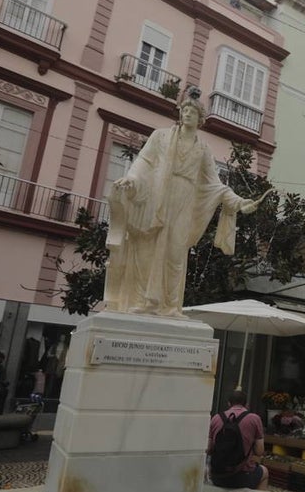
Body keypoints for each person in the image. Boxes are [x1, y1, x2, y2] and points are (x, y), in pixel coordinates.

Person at [103, 87, 271, 318]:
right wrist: (131, 179)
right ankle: (144, 302)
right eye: (184, 110)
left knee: (175, 254)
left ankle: (171, 306)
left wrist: (240, 203)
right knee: (148, 252)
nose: (187, 114)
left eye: (192, 111)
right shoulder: (161, 136)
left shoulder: (203, 149)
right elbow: (144, 162)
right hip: (158, 197)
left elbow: (215, 184)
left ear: (200, 119)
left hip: (184, 201)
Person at [207, 390, 268, 490]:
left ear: (229, 403)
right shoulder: (254, 419)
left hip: (217, 476)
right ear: (246, 404)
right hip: (242, 476)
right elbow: (259, 451)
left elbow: (209, 449)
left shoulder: (216, 418)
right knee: (264, 472)